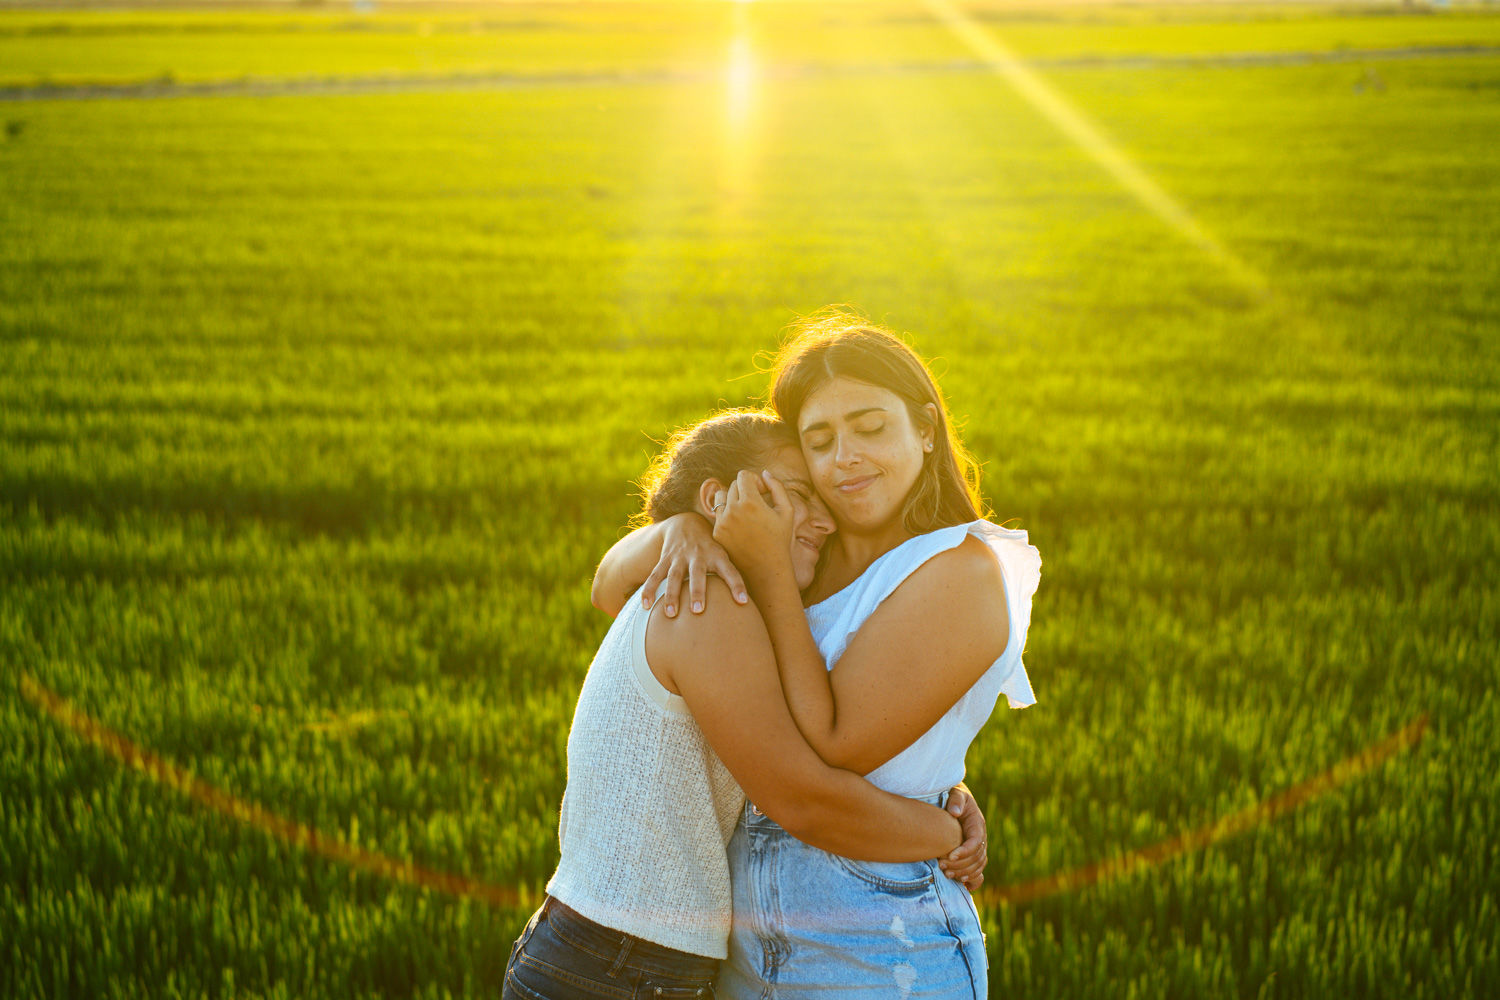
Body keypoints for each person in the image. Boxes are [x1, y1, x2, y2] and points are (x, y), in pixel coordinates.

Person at [598, 311, 1040, 998]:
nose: (846, 459)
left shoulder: (963, 569)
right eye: (820, 441)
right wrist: (683, 526)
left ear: (926, 428)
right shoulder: (813, 551)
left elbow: (838, 744)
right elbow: (607, 585)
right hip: (745, 937)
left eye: (871, 428)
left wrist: (767, 568)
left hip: (882, 936)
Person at [503, 408, 989, 1000]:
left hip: (613, 956)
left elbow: (813, 733)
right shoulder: (709, 600)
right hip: (620, 967)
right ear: (720, 499)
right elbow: (801, 797)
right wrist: (945, 830)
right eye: (796, 496)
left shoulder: (720, 595)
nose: (825, 522)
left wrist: (946, 789)